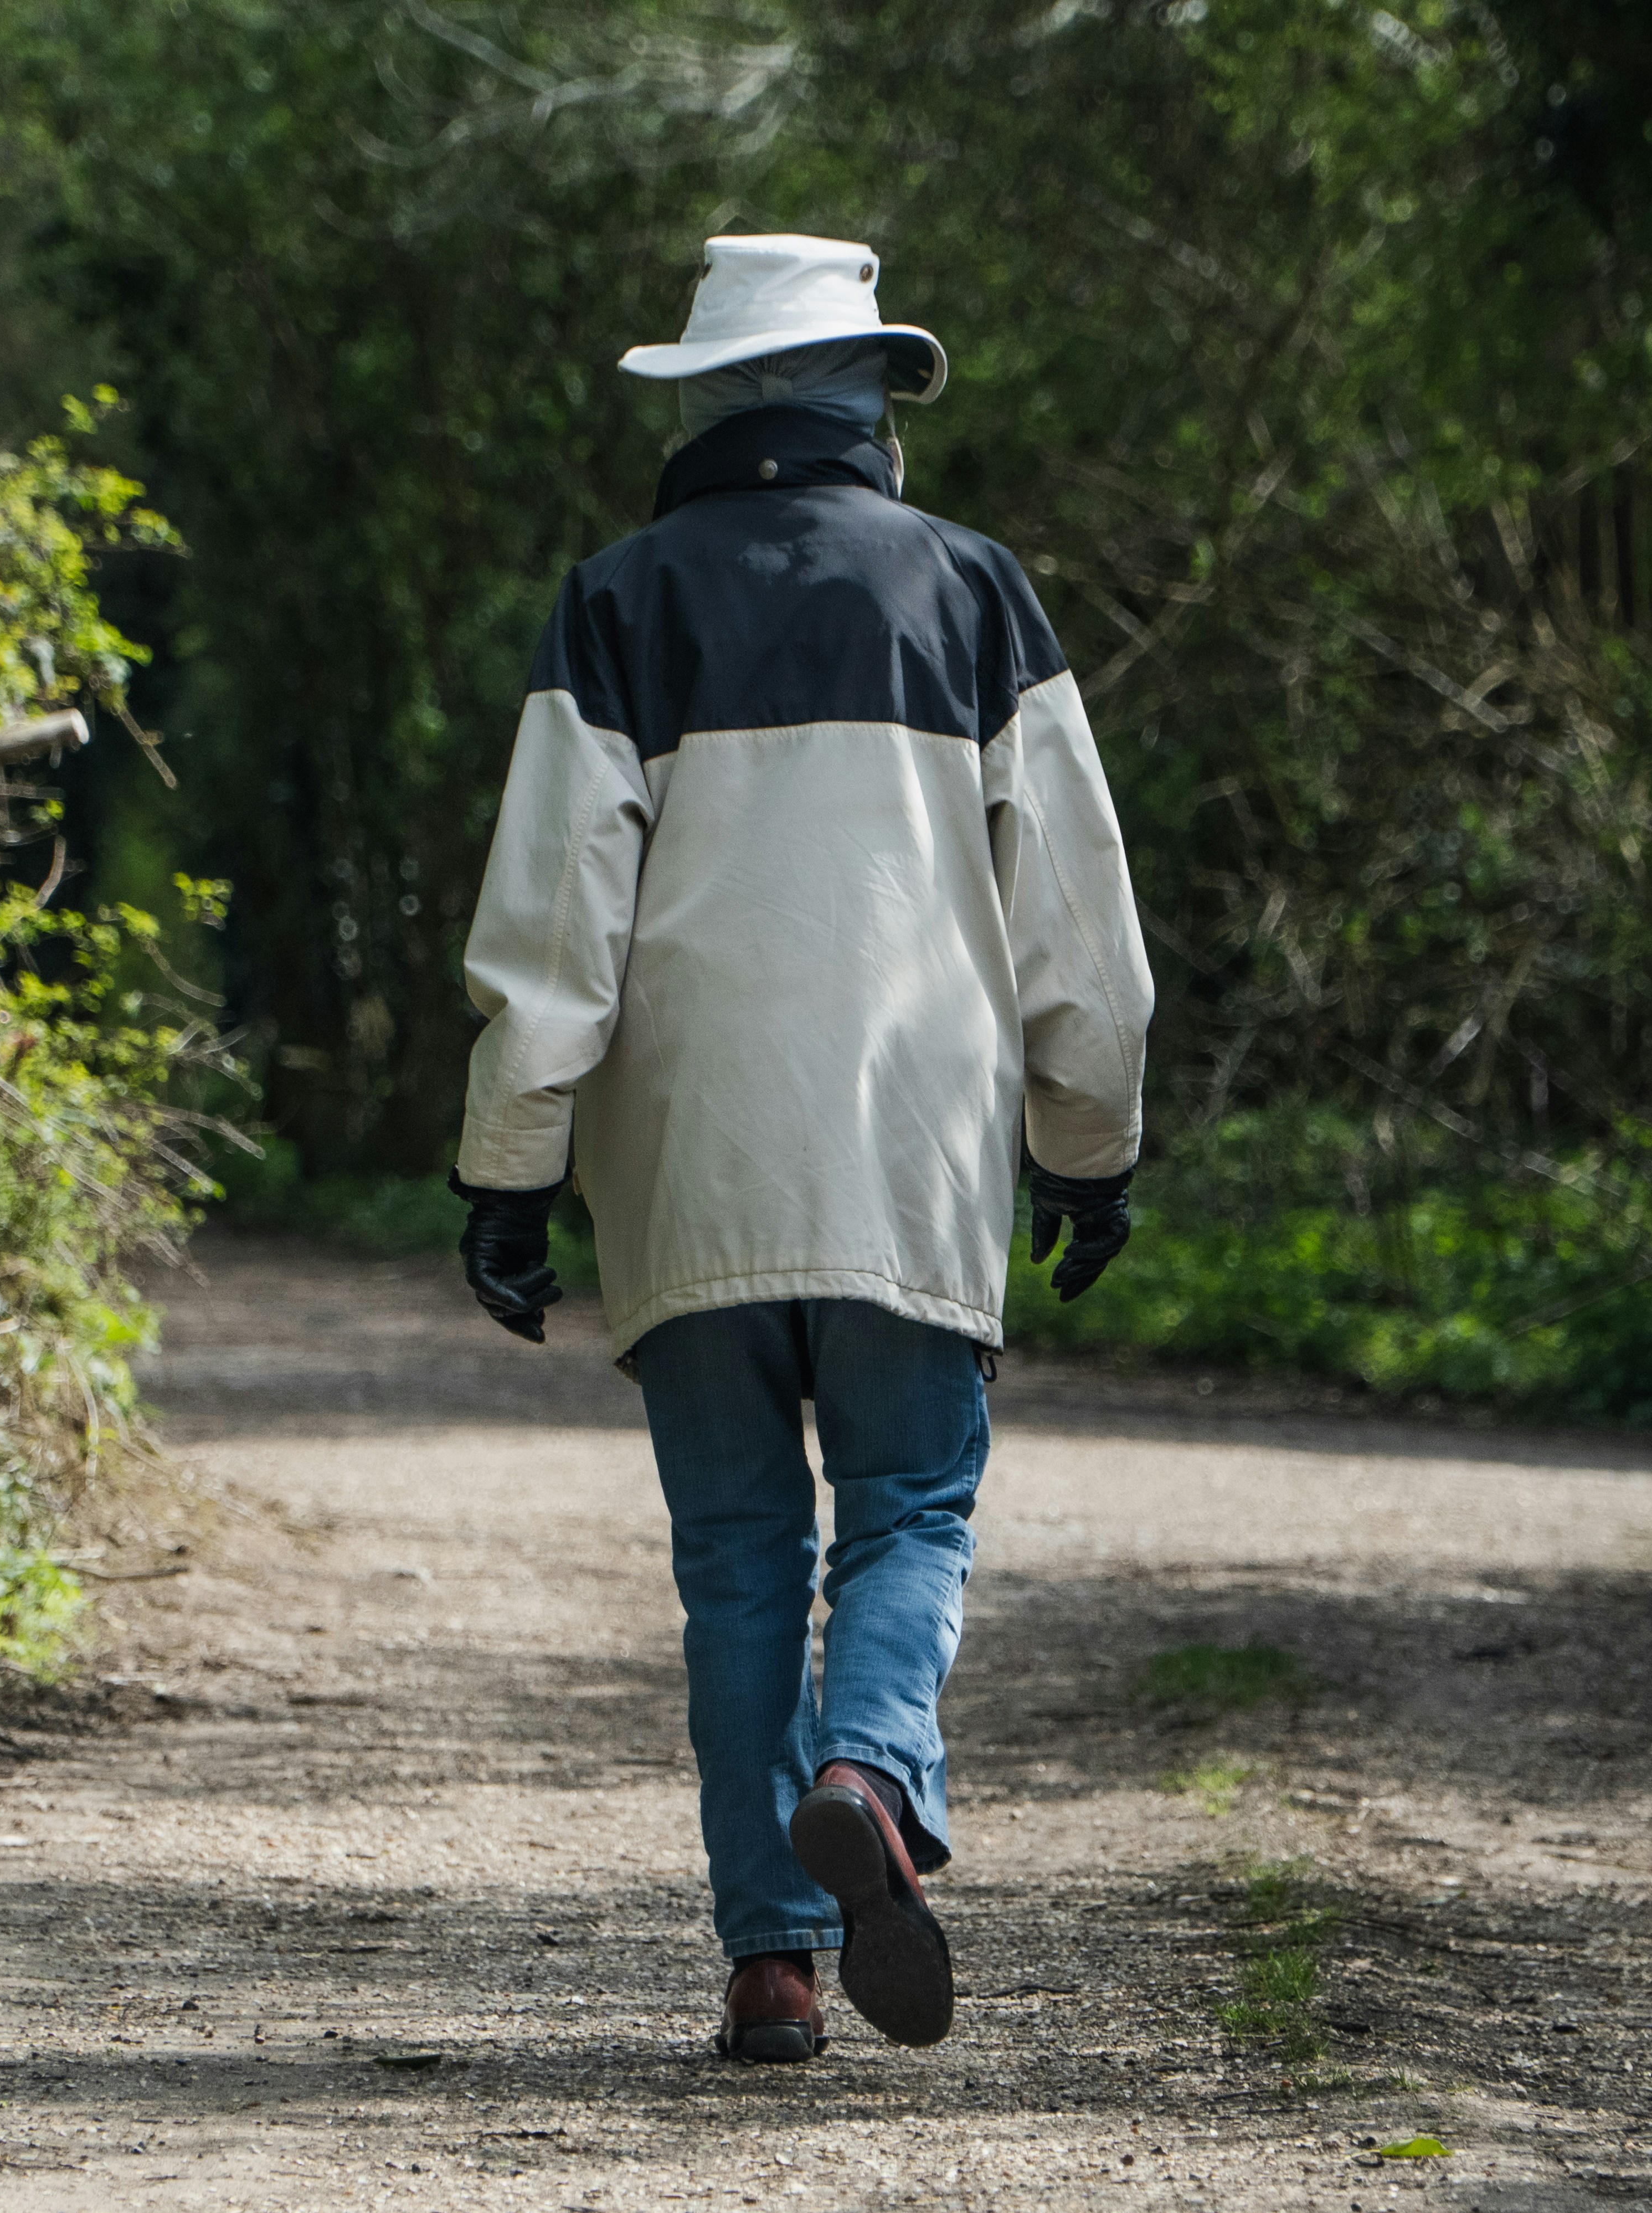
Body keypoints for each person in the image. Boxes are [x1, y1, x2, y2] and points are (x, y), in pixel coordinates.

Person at [448, 233, 1153, 2063]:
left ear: (709, 402)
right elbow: (1079, 933)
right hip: (909, 1162)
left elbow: (550, 931)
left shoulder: (615, 604)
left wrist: (509, 1172)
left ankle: (772, 1962)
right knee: (909, 1508)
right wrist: (1085, 1147)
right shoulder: (978, 598)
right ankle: (872, 1770)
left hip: (686, 1173)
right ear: (858, 401)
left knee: (738, 1555)